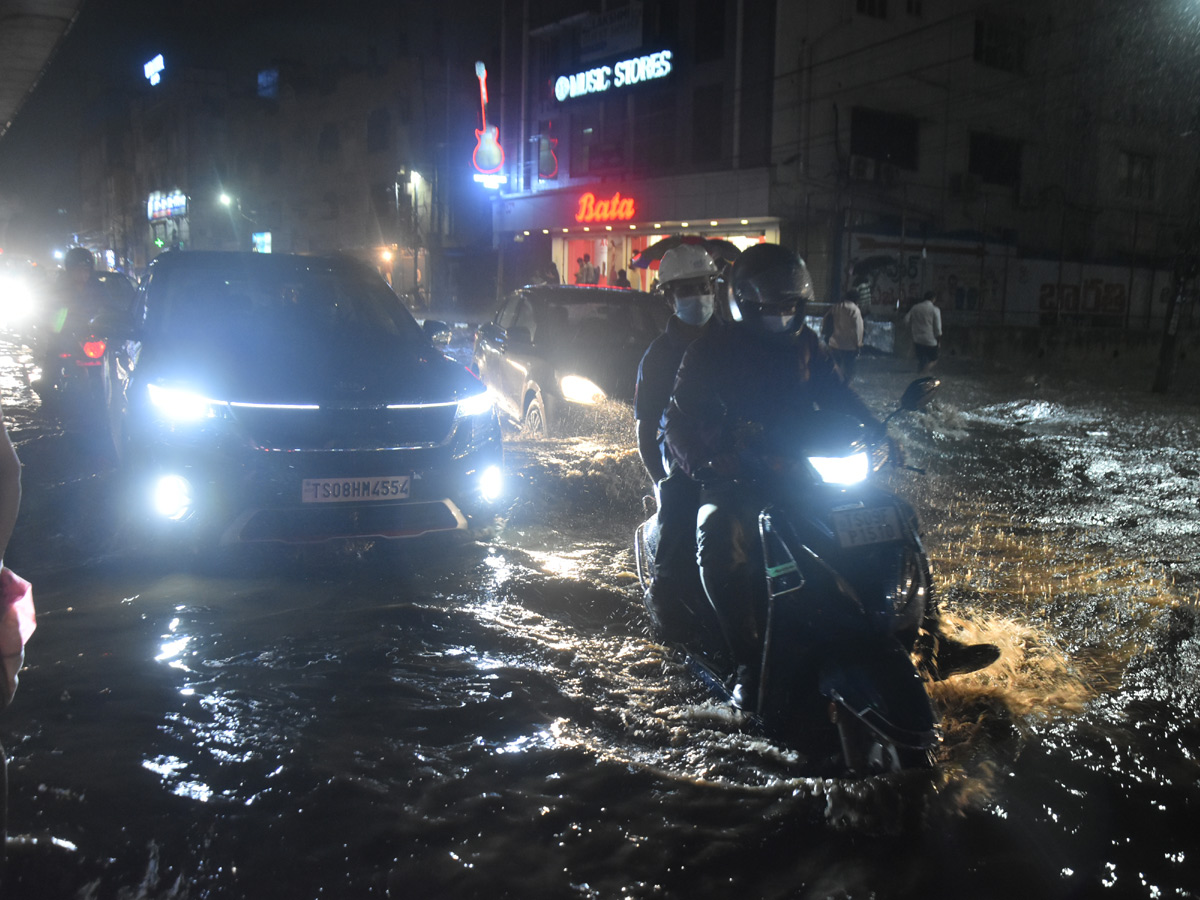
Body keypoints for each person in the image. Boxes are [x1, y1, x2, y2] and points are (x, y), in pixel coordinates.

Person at [664, 244, 994, 704]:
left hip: (800, 469)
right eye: (769, 307)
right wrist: (706, 460)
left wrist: (880, 436)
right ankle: (747, 659)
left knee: (899, 515)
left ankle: (931, 637)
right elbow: (675, 422)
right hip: (737, 476)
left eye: (789, 306)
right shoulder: (709, 351)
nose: (780, 315)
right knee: (721, 538)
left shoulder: (806, 346)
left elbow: (841, 397)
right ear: (743, 303)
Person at [634, 244, 721, 642]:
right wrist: (661, 483)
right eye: (687, 289)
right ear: (669, 297)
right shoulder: (658, 356)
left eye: (704, 286)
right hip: (683, 457)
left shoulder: (738, 342)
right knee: (680, 510)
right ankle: (667, 604)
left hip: (738, 450)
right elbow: (647, 427)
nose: (699, 296)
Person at [824, 290, 865, 384]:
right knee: (849, 371)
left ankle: (834, 387)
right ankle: (845, 389)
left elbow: (826, 319)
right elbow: (858, 328)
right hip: (849, 346)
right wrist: (858, 343)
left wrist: (826, 334)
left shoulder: (837, 306)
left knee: (834, 369)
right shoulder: (855, 310)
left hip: (834, 344)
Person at [905, 290, 942, 373]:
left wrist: (911, 330)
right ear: (933, 299)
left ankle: (920, 369)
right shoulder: (935, 310)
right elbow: (938, 328)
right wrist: (939, 341)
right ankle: (925, 371)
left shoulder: (915, 307)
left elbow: (906, 320)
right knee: (934, 359)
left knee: (920, 357)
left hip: (917, 339)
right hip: (930, 340)